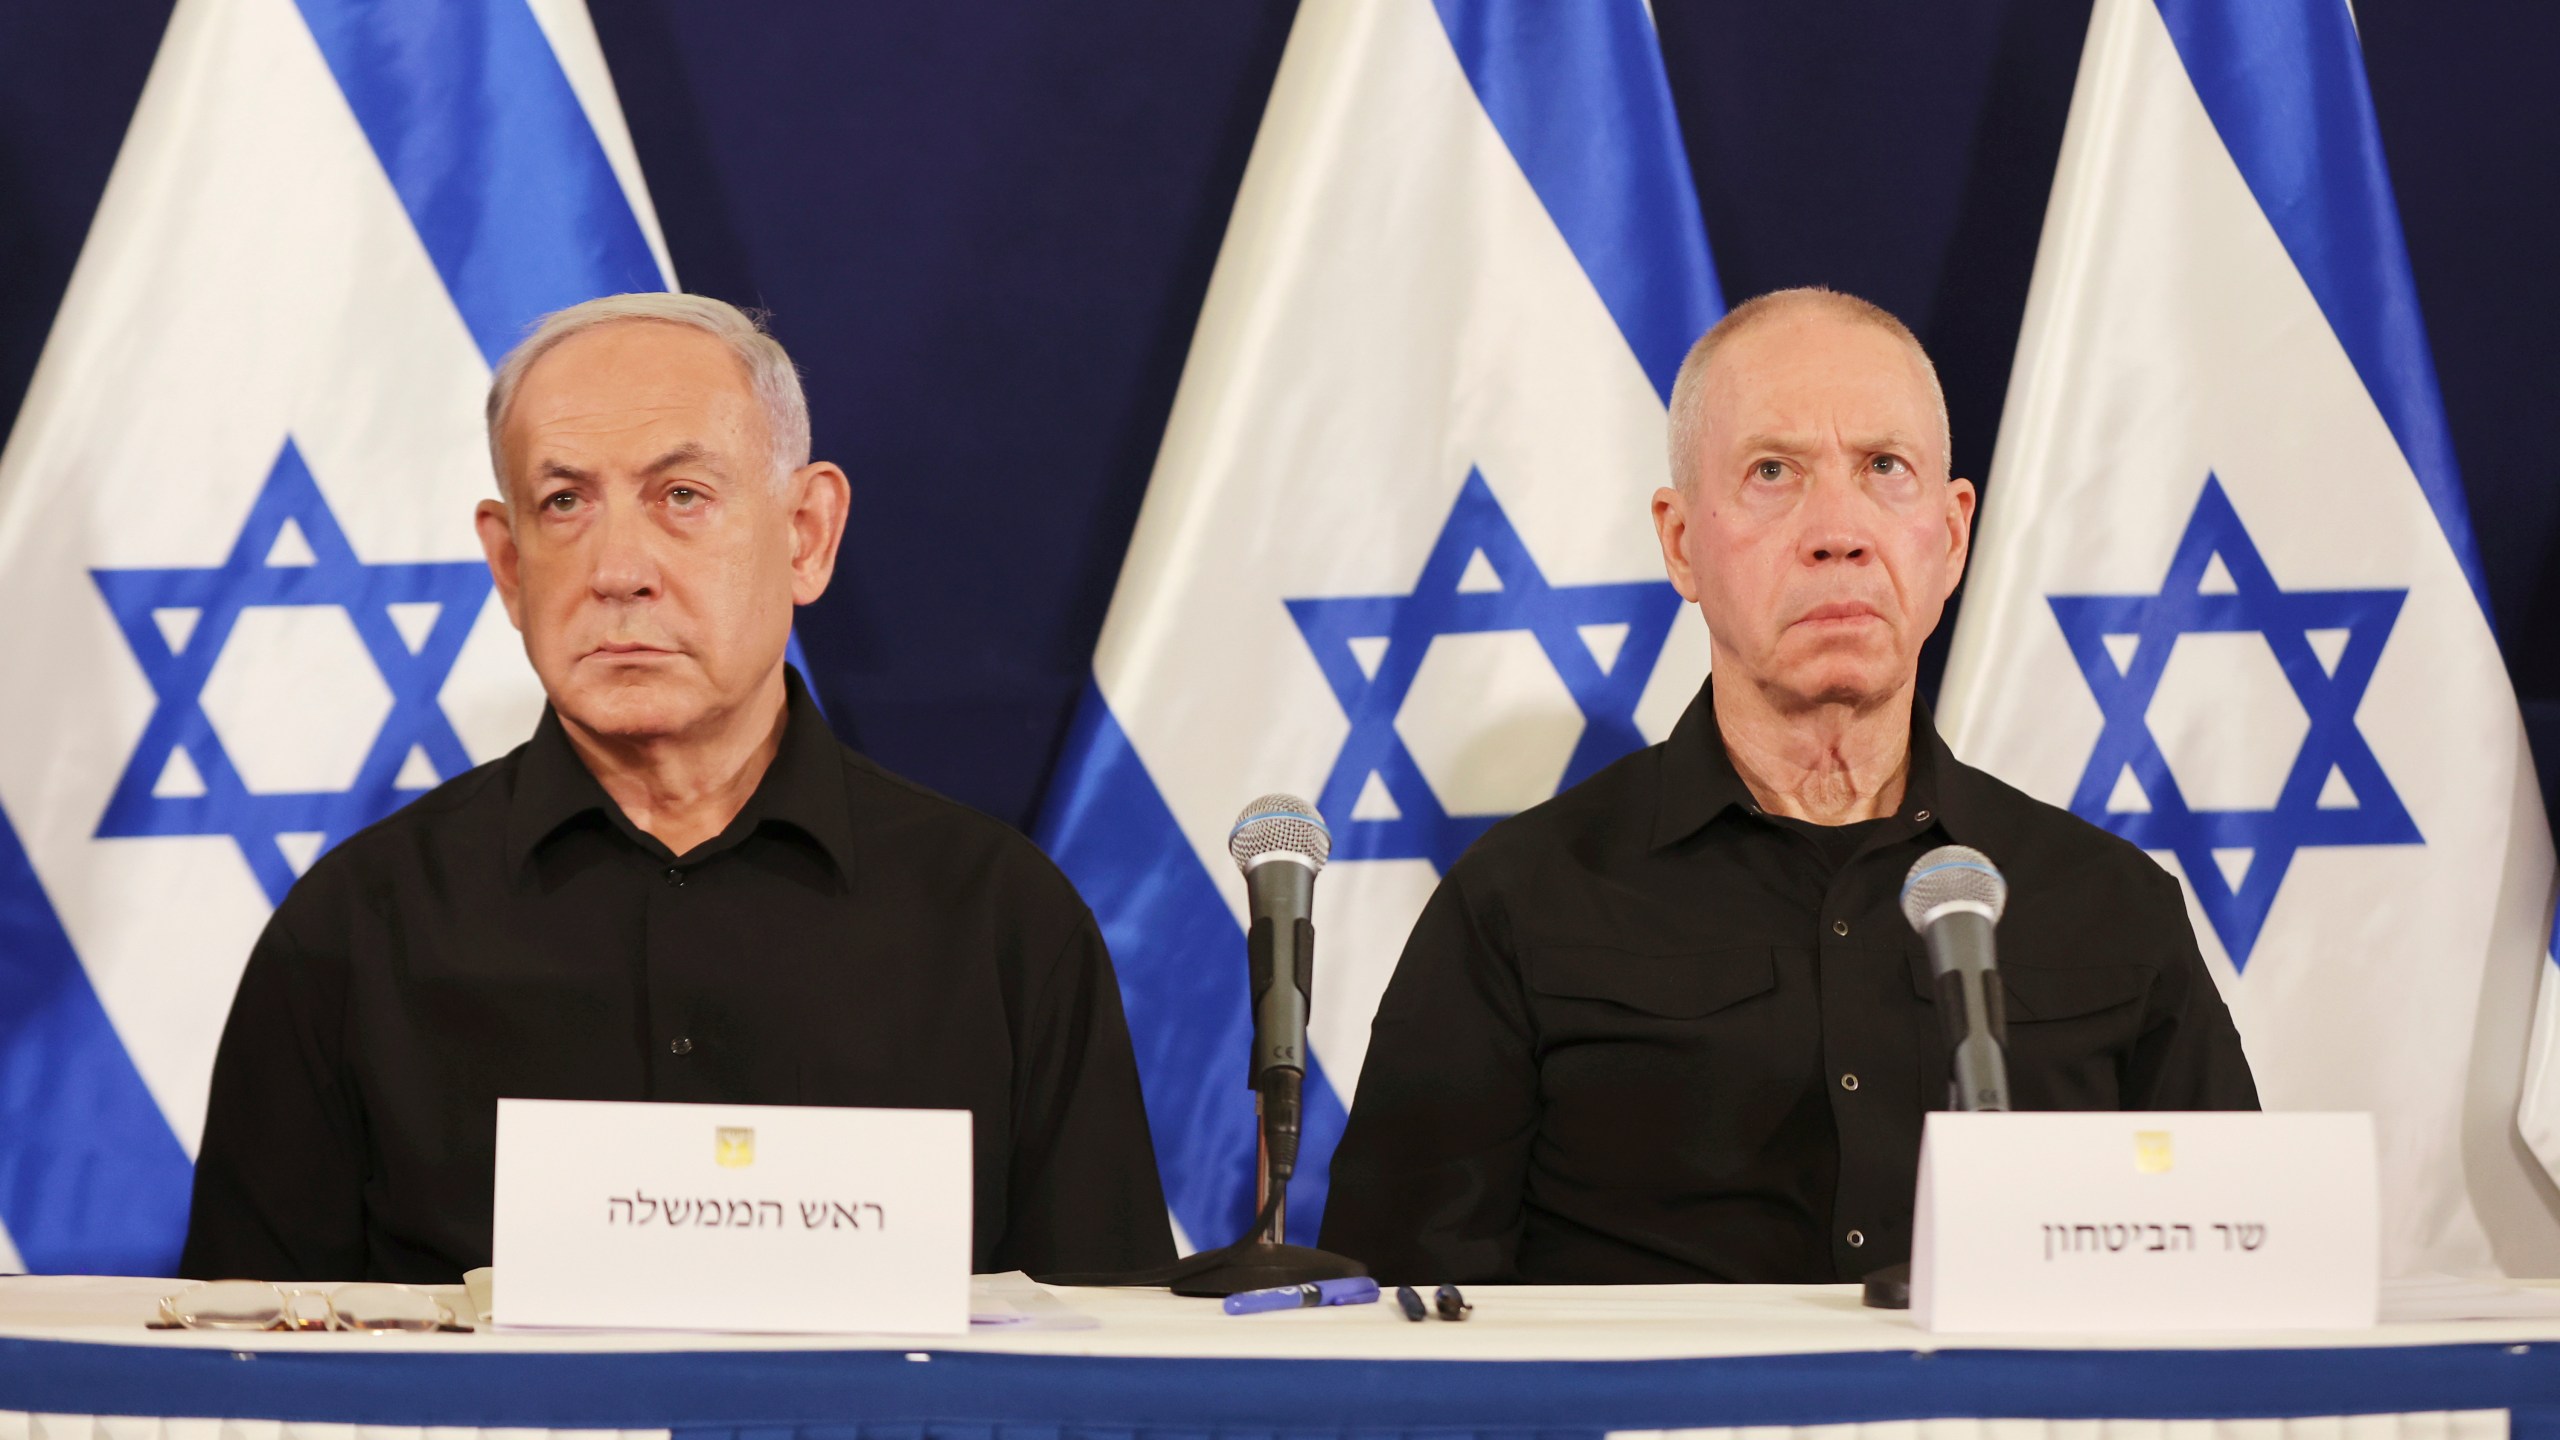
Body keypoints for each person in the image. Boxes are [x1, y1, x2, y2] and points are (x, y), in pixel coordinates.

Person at [182, 294, 1173, 1282]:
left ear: (806, 535)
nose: (617, 570)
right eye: (564, 502)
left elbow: (1110, 1367)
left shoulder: (1000, 926)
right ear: (508, 562)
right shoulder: (354, 934)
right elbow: (243, 1384)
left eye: (682, 496)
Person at [1319, 288, 2258, 1284]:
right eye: (1773, 472)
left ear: (1951, 535)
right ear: (1680, 542)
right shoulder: (1516, 903)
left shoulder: (2111, 906)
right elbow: (1400, 1317)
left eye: (1883, 469)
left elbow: (2233, 1275)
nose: (1838, 531)